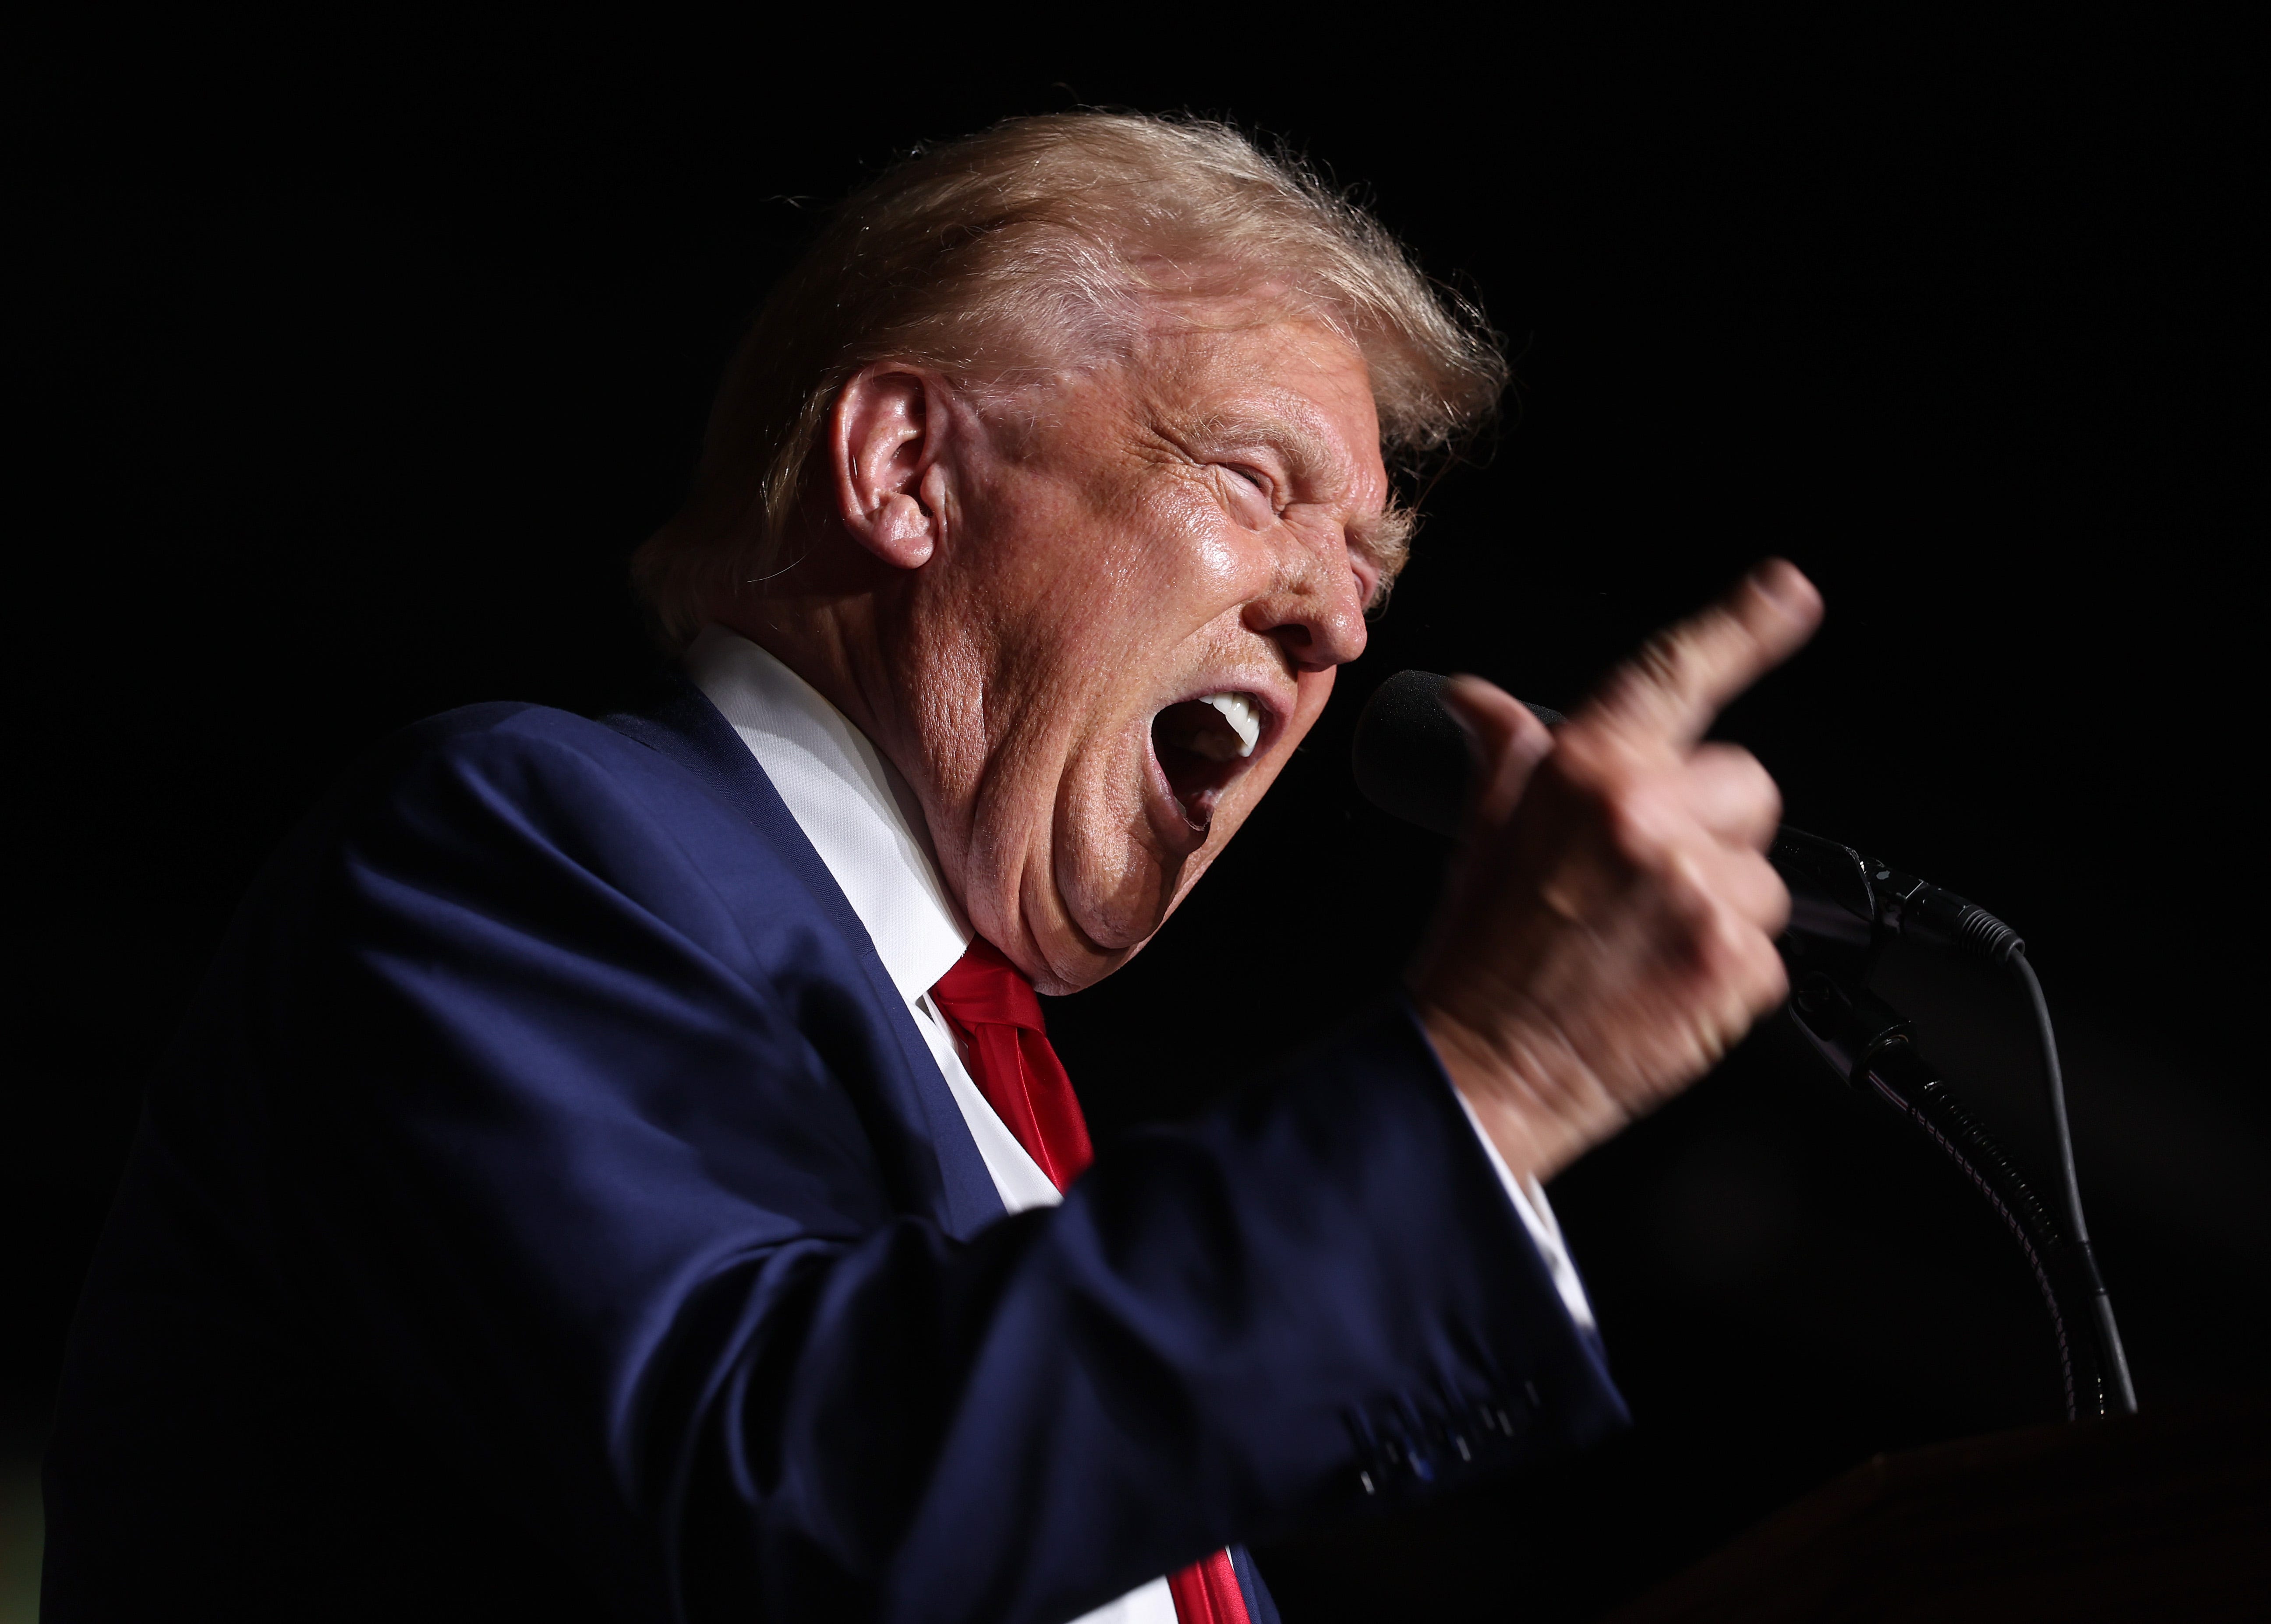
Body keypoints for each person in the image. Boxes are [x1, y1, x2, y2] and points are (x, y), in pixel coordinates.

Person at [43, 113, 1819, 1624]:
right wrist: (1505, 1074)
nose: (1340, 619)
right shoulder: (521, 843)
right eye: (1266, 484)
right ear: (905, 470)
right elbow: (795, 1490)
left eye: (1373, 567)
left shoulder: (1030, 1168)